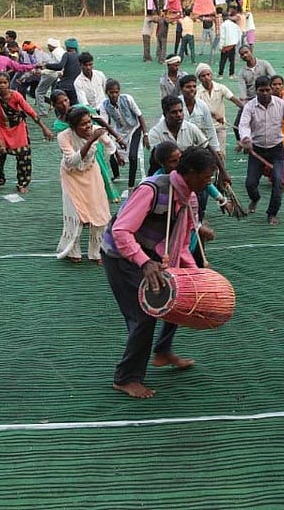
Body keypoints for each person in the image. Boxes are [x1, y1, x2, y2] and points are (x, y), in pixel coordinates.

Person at [100, 147, 216, 399]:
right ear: (192, 173)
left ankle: (163, 352)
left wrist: (195, 277)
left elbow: (182, 244)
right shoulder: (152, 189)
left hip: (152, 256)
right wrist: (144, 262)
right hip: (120, 255)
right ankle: (125, 378)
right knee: (144, 316)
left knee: (179, 297)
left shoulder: (191, 198)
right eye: (207, 177)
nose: (210, 182)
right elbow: (121, 231)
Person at [238, 76, 284, 225]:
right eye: (261, 90)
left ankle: (272, 213)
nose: (265, 93)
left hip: (277, 149)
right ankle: (255, 198)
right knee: (250, 183)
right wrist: (246, 138)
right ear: (256, 91)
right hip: (257, 149)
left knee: (278, 181)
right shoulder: (249, 107)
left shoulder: (280, 104)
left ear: (271, 90)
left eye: (267, 90)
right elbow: (244, 125)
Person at [57, 107, 119, 263]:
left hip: (91, 172)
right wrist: (91, 140)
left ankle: (97, 252)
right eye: (83, 125)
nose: (88, 127)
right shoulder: (64, 137)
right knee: (75, 213)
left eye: (89, 123)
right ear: (73, 127)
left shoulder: (96, 130)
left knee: (100, 210)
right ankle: (73, 250)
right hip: (71, 175)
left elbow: (110, 146)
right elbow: (71, 160)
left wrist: (113, 150)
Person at [0, 72, 53, 195]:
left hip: (18, 128)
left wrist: (44, 128)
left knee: (23, 157)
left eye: (5, 83)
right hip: (1, 129)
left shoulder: (16, 95)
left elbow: (30, 112)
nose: (2, 85)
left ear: (8, 84)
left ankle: (22, 183)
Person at [100, 79, 151, 188]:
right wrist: (116, 137)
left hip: (134, 128)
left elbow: (139, 115)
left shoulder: (127, 99)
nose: (114, 95)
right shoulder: (104, 105)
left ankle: (131, 185)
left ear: (119, 91)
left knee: (133, 157)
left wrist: (145, 134)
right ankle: (116, 175)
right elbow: (105, 124)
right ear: (107, 92)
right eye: (111, 92)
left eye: (116, 92)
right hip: (119, 130)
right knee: (112, 153)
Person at [195, 63, 242, 157]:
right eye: (203, 76)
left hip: (220, 126)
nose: (206, 77)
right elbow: (200, 108)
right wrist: (214, 115)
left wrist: (245, 109)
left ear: (211, 75)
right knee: (207, 156)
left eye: (208, 74)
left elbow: (234, 99)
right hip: (204, 128)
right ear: (199, 78)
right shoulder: (197, 92)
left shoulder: (220, 88)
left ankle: (221, 171)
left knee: (221, 154)